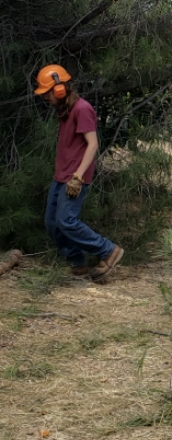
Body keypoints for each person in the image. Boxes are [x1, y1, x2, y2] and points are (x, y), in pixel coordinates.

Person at [34, 65, 124, 282]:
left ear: (59, 89)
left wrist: (78, 176)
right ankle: (77, 262)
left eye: (47, 92)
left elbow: (92, 144)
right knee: (52, 223)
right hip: (61, 175)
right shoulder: (64, 110)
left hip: (75, 176)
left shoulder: (82, 109)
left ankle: (108, 250)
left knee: (66, 221)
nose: (45, 97)